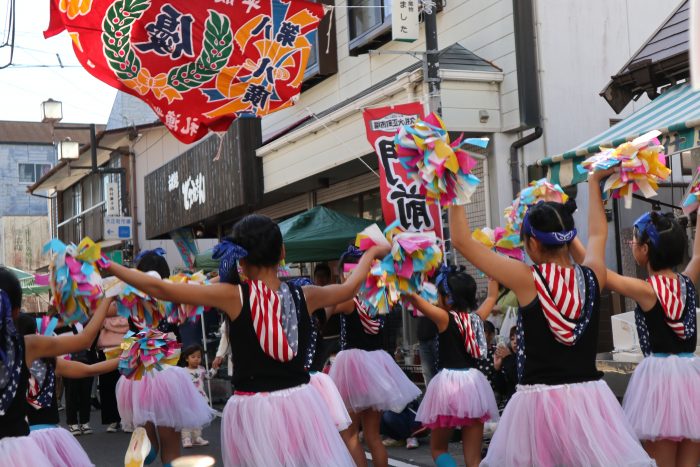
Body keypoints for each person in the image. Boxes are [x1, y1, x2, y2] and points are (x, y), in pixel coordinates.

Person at [103, 214, 390, 466]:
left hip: (253, 409)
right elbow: (351, 286)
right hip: (301, 403)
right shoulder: (308, 294)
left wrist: (108, 265)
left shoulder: (233, 296)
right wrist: (373, 251)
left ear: (239, 258)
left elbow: (160, 288)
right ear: (282, 252)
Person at [448, 171, 654, 466]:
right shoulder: (593, 273)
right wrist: (594, 183)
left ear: (532, 243)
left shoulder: (525, 279)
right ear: (570, 239)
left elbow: (461, 241)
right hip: (590, 402)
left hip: (537, 405)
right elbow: (597, 234)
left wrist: (452, 182)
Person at [572, 210, 700, 466]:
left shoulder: (646, 290)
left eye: (634, 241)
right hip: (692, 378)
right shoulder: (688, 281)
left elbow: (599, 274)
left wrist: (570, 237)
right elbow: (698, 254)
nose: (632, 245)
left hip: (659, 383)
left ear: (645, 250)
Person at [0, 266, 110, 466]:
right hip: (17, 452)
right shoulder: (27, 345)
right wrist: (107, 297)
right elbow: (85, 340)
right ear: (16, 311)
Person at [114, 249, 215, 467]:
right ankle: (156, 453)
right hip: (167, 376)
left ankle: (147, 448)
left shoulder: (129, 301)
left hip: (137, 375)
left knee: (147, 431)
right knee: (171, 453)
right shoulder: (170, 298)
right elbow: (201, 289)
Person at [328, 247, 421, 467]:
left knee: (350, 435)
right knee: (373, 436)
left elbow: (327, 307)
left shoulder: (348, 301)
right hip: (377, 366)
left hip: (352, 368)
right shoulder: (380, 300)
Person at [407, 268, 500, 467]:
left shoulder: (444, 318)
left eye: (438, 294)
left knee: (438, 449)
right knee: (473, 459)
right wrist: (494, 274)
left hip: (448, 385)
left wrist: (400, 271)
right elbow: (492, 295)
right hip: (475, 386)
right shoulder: (477, 318)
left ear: (448, 298)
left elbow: (413, 299)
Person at [17, 313, 119, 467]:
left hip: (20, 440)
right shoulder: (49, 362)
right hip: (51, 437)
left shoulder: (8, 369)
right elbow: (89, 369)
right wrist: (125, 359)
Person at [96, 306, 128, 432]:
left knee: (117, 388)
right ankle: (121, 420)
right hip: (122, 348)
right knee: (118, 388)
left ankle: (117, 420)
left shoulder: (103, 312)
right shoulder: (128, 310)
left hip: (112, 349)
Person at [63, 321, 97, 435]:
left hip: (86, 362)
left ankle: (85, 422)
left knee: (85, 393)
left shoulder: (86, 323)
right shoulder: (60, 325)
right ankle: (72, 423)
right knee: (71, 393)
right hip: (68, 363)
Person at [179, 344, 214, 448]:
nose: (196, 359)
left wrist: (214, 368)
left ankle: (197, 437)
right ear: (186, 358)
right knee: (187, 418)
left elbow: (209, 376)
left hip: (200, 398)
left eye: (198, 357)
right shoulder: (183, 371)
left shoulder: (202, 369)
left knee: (198, 418)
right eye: (193, 357)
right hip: (187, 398)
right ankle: (186, 438)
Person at [309, 263, 342, 372]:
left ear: (328, 278)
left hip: (335, 340)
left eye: (323, 276)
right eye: (318, 276)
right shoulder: (312, 296)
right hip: (320, 342)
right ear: (314, 278)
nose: (321, 279)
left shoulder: (333, 294)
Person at [493, 326, 518, 406]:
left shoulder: (529, 359)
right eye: (512, 339)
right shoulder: (509, 358)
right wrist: (497, 369)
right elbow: (502, 389)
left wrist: (508, 358)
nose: (515, 342)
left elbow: (518, 381)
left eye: (518, 338)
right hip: (512, 404)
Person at [416, 315, 439, 387]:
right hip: (423, 338)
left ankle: (443, 396)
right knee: (427, 372)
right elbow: (413, 313)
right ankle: (431, 396)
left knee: (441, 370)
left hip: (436, 336)